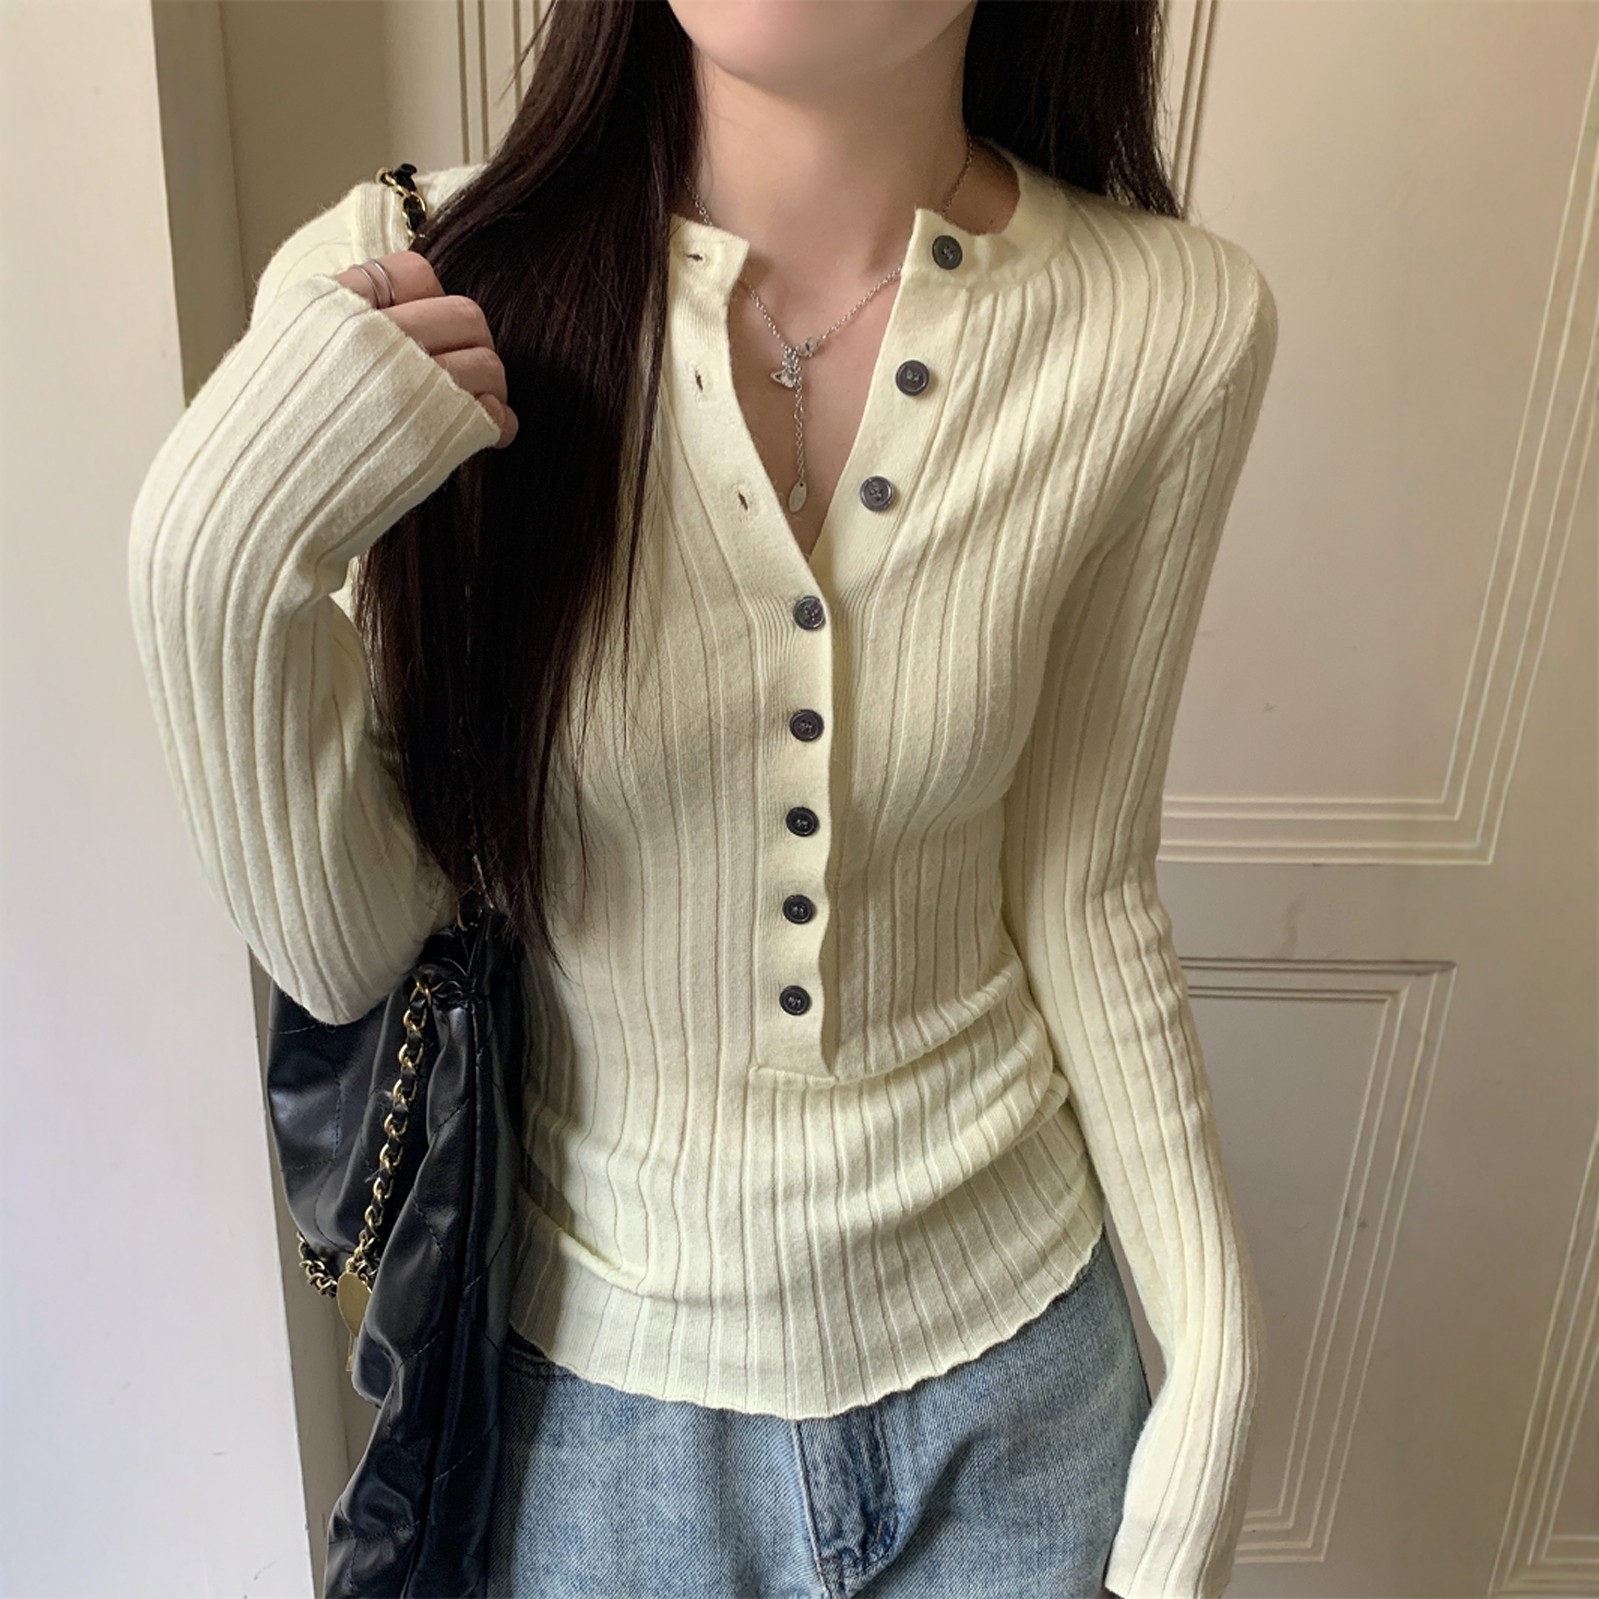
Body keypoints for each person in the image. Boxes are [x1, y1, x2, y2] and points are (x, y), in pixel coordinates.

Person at [127, 1, 1278, 1594]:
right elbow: (352, 952)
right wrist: (209, 564)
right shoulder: (408, 280)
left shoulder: (1172, 323)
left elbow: (1081, 885)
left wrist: (1215, 1355)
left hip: (1025, 1407)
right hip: (594, 1441)